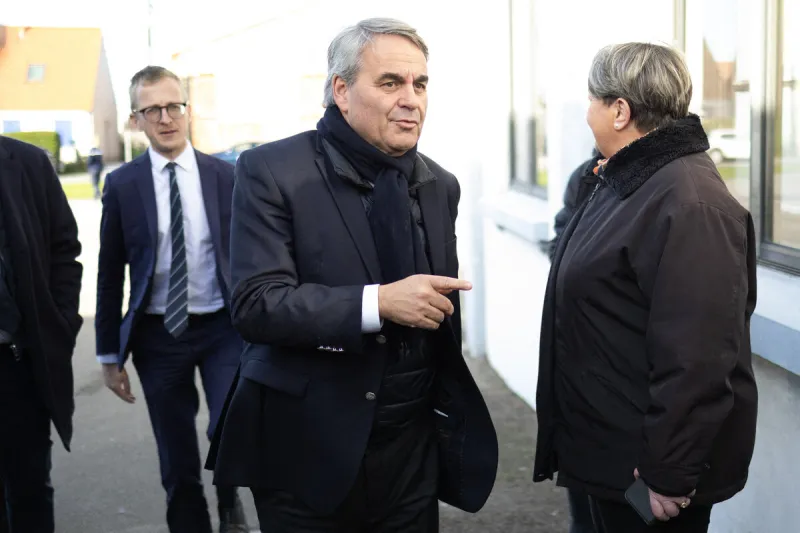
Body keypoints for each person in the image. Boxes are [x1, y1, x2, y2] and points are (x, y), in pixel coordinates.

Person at [206, 18, 498, 532]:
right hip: (307, 448)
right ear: (341, 90)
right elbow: (255, 304)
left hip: (410, 452)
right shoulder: (271, 170)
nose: (411, 99)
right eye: (390, 83)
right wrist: (377, 303)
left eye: (420, 84)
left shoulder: (439, 184)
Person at [533, 42, 758, 533]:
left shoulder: (690, 203)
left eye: (593, 99)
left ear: (620, 111)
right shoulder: (624, 182)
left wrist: (668, 473)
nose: (585, 111)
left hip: (647, 474)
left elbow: (697, 358)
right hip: (606, 452)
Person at [95, 66, 248, 533]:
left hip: (223, 328)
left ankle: (229, 502)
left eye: (174, 106)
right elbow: (109, 273)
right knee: (176, 451)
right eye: (153, 110)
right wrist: (109, 354)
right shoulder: (123, 185)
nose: (166, 118)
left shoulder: (227, 176)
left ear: (186, 109)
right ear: (136, 119)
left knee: (227, 426)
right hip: (159, 334)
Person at [0, 135, 83, 532]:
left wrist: (61, 326)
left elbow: (64, 249)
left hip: (17, 363)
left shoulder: (28, 163)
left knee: (29, 488)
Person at [546, 151, 601, 533]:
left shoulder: (669, 185)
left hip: (628, 380)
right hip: (580, 366)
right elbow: (560, 247)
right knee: (584, 510)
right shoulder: (585, 176)